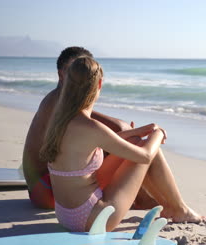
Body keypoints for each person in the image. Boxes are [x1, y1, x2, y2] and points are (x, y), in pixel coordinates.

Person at [39, 56, 203, 232]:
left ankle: (174, 207)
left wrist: (135, 132)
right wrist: (158, 133)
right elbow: (145, 156)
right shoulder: (92, 127)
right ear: (99, 84)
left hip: (65, 215)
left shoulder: (60, 122)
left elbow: (100, 140)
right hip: (94, 218)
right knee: (148, 148)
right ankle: (179, 209)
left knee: (135, 141)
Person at [23, 47, 134, 209]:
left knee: (103, 141)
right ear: (61, 75)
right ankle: (150, 201)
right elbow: (119, 127)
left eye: (83, 73)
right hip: (47, 190)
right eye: (73, 72)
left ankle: (149, 199)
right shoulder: (57, 101)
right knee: (126, 141)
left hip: (43, 188)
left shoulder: (61, 102)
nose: (79, 79)